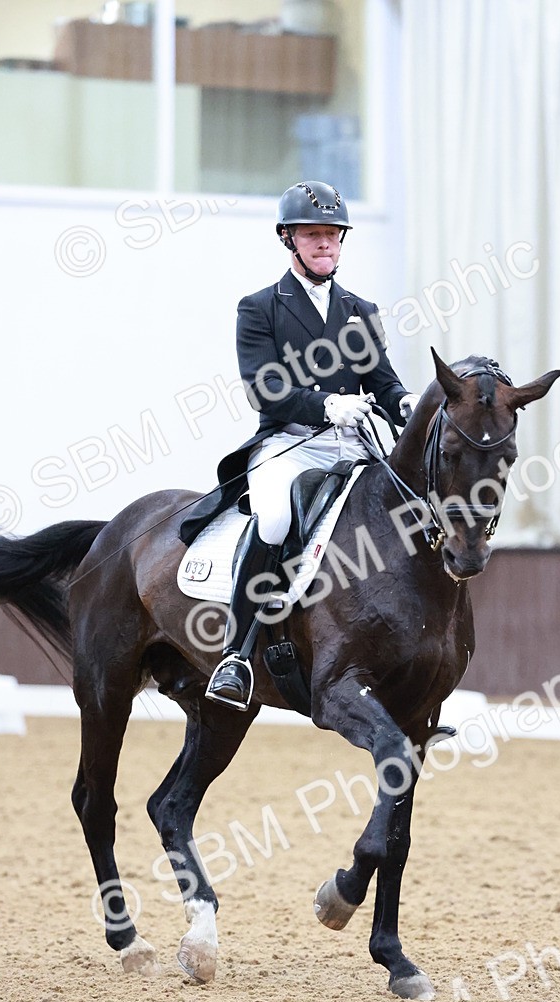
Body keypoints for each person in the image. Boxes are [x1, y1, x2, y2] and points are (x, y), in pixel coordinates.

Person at [201, 179, 418, 710]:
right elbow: (264, 388)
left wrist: (405, 403)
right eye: (313, 235)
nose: (325, 244)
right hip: (290, 443)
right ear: (289, 240)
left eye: (333, 235)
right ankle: (236, 655)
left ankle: (416, 665)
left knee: (410, 516)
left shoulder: (360, 310)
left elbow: (381, 380)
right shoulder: (259, 308)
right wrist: (324, 405)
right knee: (274, 519)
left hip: (354, 445)